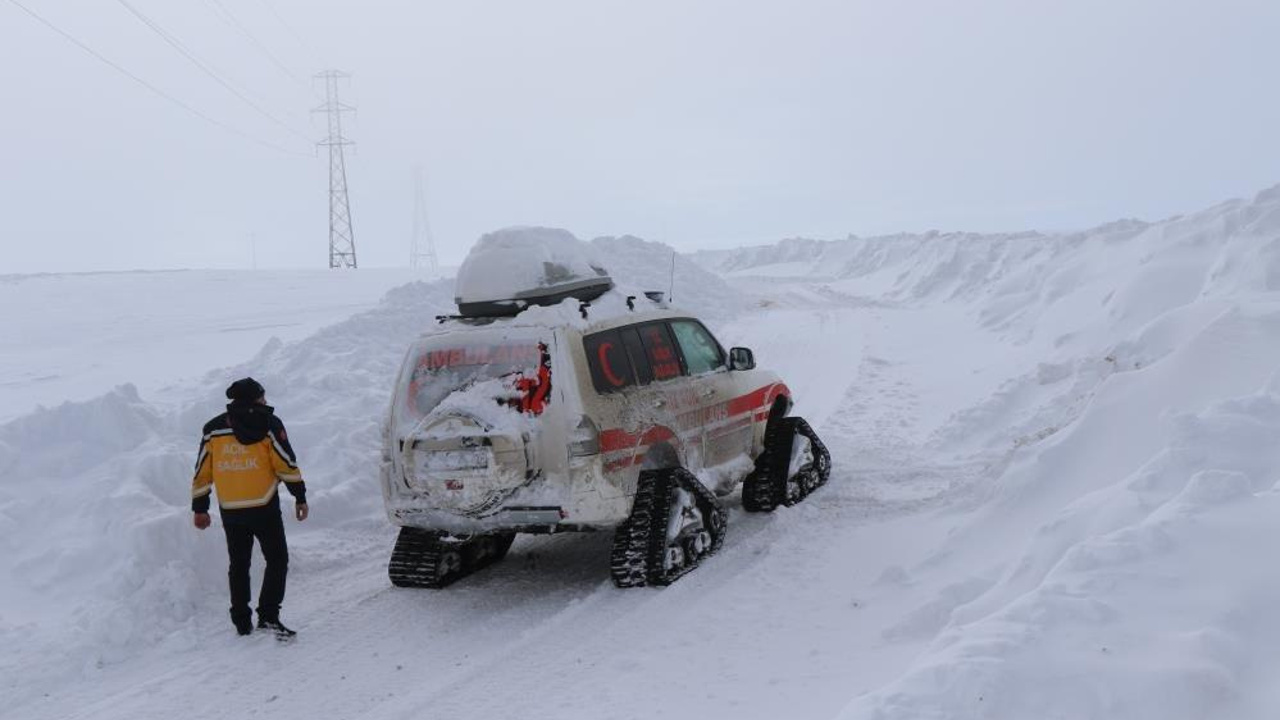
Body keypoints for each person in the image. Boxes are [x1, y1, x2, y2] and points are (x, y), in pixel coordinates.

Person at [191, 377, 309, 637]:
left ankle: (241, 621)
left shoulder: (213, 430)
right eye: (263, 397)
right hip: (264, 504)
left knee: (239, 564)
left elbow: (202, 471)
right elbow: (285, 464)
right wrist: (299, 496)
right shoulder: (269, 424)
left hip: (230, 508)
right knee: (277, 560)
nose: (266, 401)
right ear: (255, 398)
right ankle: (268, 616)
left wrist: (200, 507)